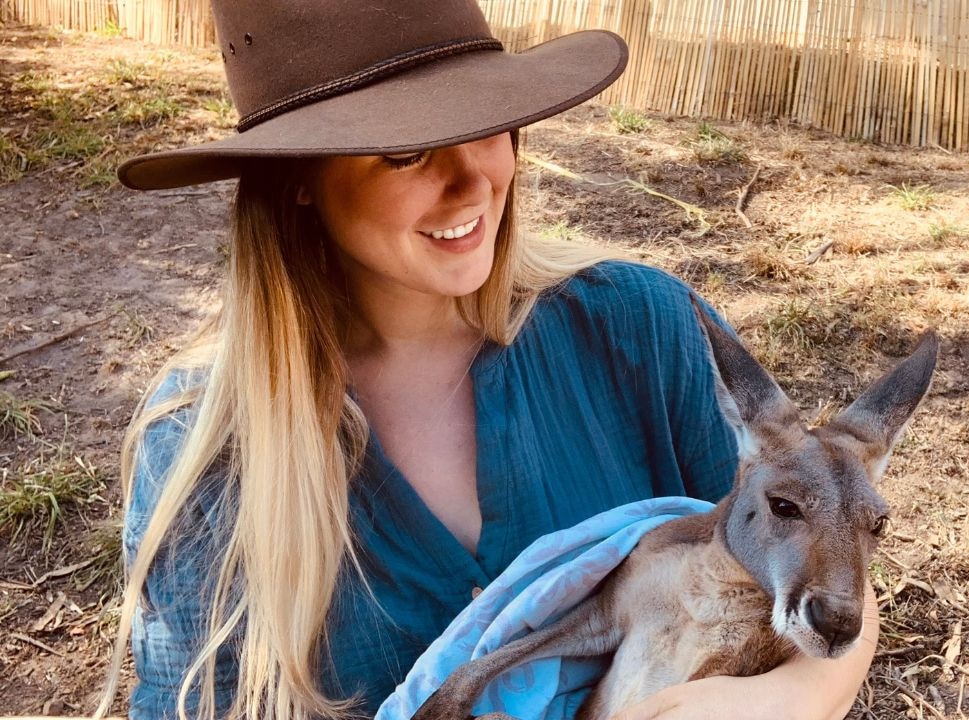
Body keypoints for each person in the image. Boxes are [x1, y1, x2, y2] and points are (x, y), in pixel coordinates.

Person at [100, 1, 880, 719]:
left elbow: (823, 538)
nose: (473, 179)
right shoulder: (205, 449)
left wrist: (789, 698)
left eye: (489, 122)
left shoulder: (641, 327)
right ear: (297, 181)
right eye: (406, 152)